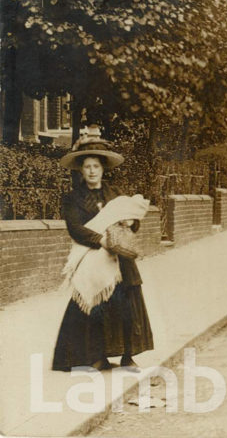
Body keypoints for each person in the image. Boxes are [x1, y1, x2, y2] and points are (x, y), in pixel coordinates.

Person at [52, 131, 154, 371]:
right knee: (95, 307)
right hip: (92, 258)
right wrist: (101, 241)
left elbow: (133, 220)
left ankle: (128, 355)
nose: (91, 171)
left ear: (103, 168)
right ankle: (96, 356)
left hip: (120, 258)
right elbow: (75, 229)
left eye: (95, 166)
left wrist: (131, 223)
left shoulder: (115, 194)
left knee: (127, 304)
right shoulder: (73, 198)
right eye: (87, 167)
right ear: (81, 169)